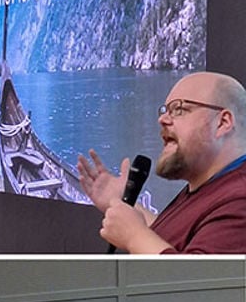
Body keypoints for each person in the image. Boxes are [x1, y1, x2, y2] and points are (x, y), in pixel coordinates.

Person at [77, 71, 246, 253]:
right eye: (165, 110)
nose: (162, 119)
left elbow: (195, 279)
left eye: (179, 109)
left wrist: (134, 236)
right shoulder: (210, 188)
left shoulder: (239, 199)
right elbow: (175, 242)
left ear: (222, 123)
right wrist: (123, 204)